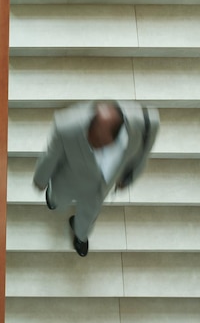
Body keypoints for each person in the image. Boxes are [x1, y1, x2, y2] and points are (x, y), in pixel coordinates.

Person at [33, 101, 159, 257]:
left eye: (100, 140)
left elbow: (143, 154)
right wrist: (41, 179)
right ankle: (52, 198)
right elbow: (51, 155)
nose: (94, 143)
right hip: (69, 180)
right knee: (58, 199)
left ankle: (80, 235)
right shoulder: (66, 126)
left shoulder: (146, 124)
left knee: (89, 216)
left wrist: (128, 179)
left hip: (99, 189)